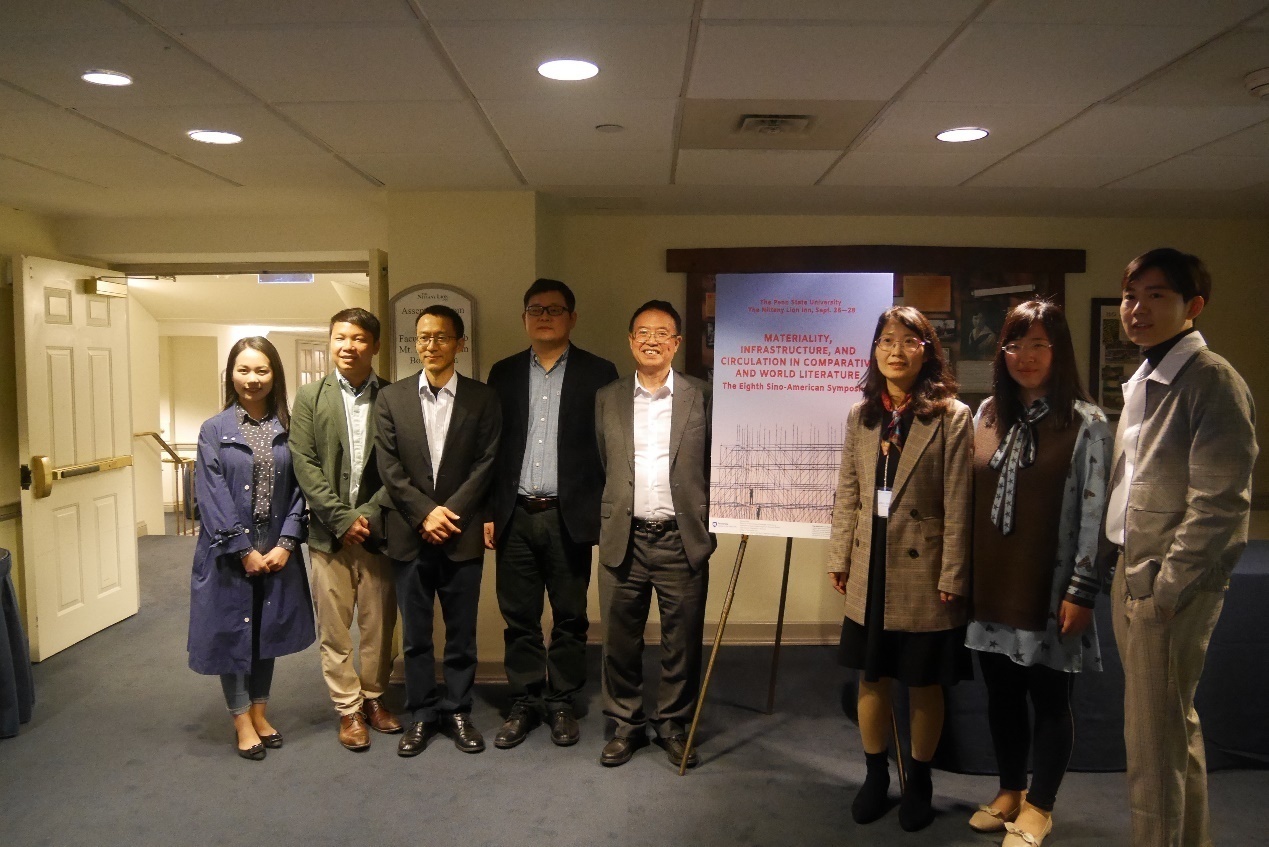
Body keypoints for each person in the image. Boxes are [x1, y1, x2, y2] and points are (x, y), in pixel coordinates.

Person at [1107, 248, 1257, 847]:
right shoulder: (1148, 375)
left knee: (1153, 746)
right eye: (1130, 295)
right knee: (1170, 730)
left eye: (1156, 296)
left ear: (1193, 305)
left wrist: (1166, 587)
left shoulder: (1211, 379)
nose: (1136, 309)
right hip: (1133, 570)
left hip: (1166, 583)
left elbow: (1220, 501)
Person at [965, 301, 1112, 847]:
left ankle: (1040, 807)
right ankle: (1010, 791)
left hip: (1050, 586)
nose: (1024, 356)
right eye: (1014, 344)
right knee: (1001, 694)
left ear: (1059, 351)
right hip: (992, 580)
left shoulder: (1087, 422)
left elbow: (1096, 514)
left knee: (1050, 699)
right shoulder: (987, 414)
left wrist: (1082, 588)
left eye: (1038, 345)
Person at [826, 305, 973, 831]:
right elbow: (849, 491)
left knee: (923, 681)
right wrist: (840, 555)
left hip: (924, 567)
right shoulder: (862, 415)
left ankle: (921, 780)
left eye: (909, 341)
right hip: (871, 560)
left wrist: (953, 574)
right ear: (875, 349)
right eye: (886, 340)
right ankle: (875, 775)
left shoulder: (952, 415)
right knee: (873, 677)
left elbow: (958, 501)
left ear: (927, 351)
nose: (895, 350)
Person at [484, 279, 618, 749]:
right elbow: (491, 448)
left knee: (570, 616)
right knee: (519, 616)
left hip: (569, 516)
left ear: (572, 318)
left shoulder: (600, 372)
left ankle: (561, 700)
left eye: (555, 309)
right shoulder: (502, 373)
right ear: (524, 318)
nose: (544, 316)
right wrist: (489, 511)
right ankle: (525, 700)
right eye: (535, 309)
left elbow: (609, 448)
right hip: (515, 515)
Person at [376, 305, 501, 757]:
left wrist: (450, 513)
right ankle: (422, 714)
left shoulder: (483, 399)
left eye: (441, 337)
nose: (431, 345)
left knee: (461, 633)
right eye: (423, 337)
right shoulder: (391, 398)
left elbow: (487, 463)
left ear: (459, 344)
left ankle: (458, 710)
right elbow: (389, 467)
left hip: (461, 534)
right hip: (409, 535)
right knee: (415, 636)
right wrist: (425, 514)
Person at [594, 300, 714, 768]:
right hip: (624, 535)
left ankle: (673, 725)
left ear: (676, 343)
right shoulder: (608, 396)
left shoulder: (701, 395)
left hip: (680, 539)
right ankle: (625, 725)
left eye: (662, 333)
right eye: (643, 332)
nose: (651, 340)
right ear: (630, 341)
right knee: (618, 640)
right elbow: (603, 460)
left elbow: (713, 462)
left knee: (681, 640)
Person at [188, 336, 314, 760]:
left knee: (266, 631)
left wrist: (287, 543)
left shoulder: (290, 429)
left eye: (262, 370)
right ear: (231, 375)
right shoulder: (214, 430)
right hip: (228, 552)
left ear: (275, 374)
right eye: (243, 370)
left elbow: (300, 490)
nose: (252, 379)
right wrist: (242, 549)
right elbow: (211, 495)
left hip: (276, 548)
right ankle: (241, 719)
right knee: (233, 633)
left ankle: (260, 713)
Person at [289, 308, 401, 751]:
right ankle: (348, 708)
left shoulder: (393, 396)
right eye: (340, 337)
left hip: (378, 533)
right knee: (334, 630)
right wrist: (340, 518)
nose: (348, 346)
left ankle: (374, 698)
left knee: (379, 626)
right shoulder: (309, 397)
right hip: (327, 536)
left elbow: (400, 466)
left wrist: (365, 517)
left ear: (375, 345)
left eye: (358, 338)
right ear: (331, 341)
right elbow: (304, 462)